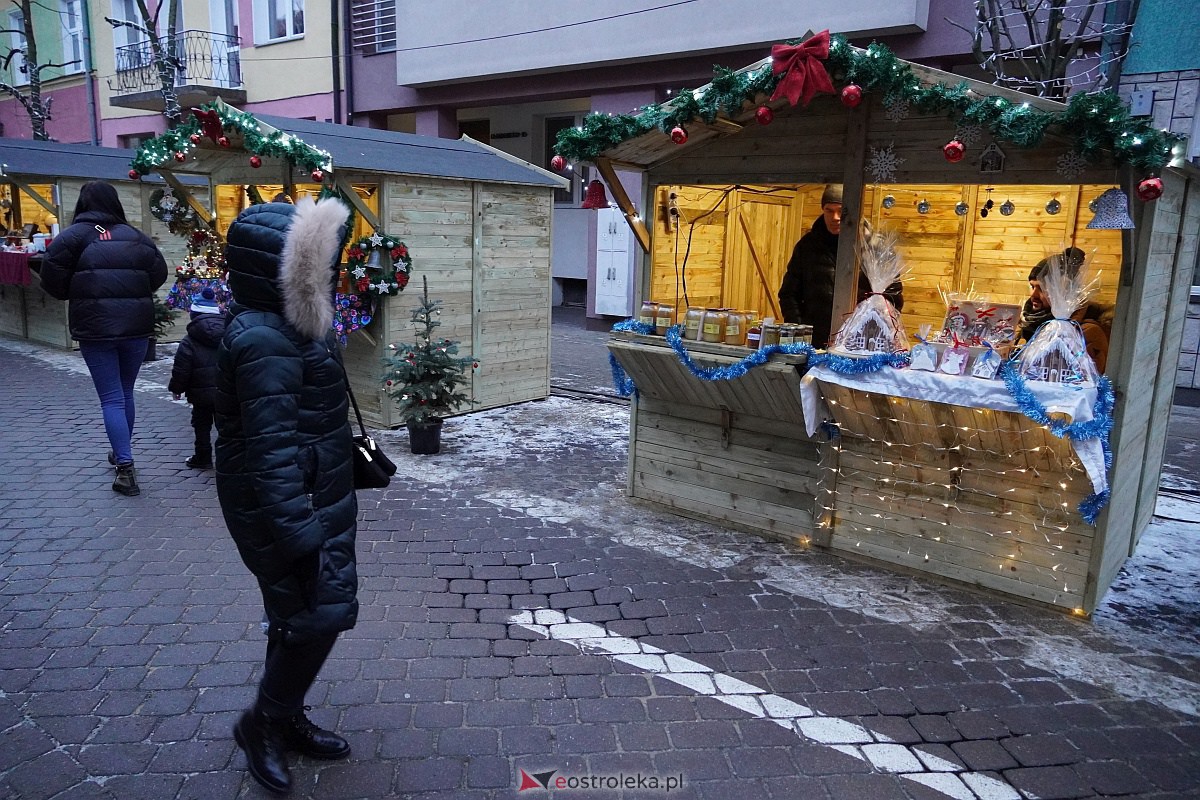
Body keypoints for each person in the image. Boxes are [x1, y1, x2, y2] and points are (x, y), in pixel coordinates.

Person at [215, 196, 357, 795]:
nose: (333, 273)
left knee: (297, 614)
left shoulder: (288, 327)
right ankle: (263, 724)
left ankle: (284, 713)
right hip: (287, 504)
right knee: (318, 612)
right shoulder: (265, 340)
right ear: (288, 271)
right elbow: (269, 454)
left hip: (311, 491)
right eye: (321, 264)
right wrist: (300, 538)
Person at [39, 181, 169, 496]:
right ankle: (121, 451)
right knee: (125, 392)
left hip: (95, 327)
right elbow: (158, 274)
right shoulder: (136, 237)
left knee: (111, 397)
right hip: (135, 327)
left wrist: (77, 291)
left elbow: (51, 278)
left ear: (83, 203)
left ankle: (125, 467)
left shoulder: (72, 237)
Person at [778, 184, 903, 347]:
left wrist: (875, 331)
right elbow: (788, 294)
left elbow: (893, 298)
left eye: (841, 211)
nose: (835, 217)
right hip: (815, 341)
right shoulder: (807, 246)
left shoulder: (876, 247)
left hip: (861, 343)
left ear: (854, 211)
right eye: (829, 210)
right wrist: (800, 330)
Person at [1017, 246, 1113, 373]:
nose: (1033, 295)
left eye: (1042, 288)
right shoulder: (1029, 321)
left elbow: (1088, 377)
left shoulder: (1086, 332)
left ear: (1063, 290)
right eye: (1032, 287)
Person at [168, 287, 226, 469]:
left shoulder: (189, 340)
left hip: (200, 395)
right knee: (226, 426)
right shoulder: (229, 334)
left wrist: (176, 389)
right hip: (225, 391)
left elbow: (182, 368)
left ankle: (203, 457)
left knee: (201, 425)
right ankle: (226, 459)